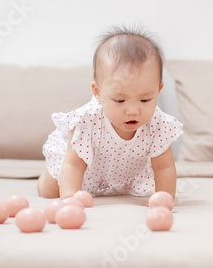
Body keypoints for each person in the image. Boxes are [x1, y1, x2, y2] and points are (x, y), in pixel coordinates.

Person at [37, 25, 183, 200]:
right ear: (98, 93)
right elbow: (74, 165)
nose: (133, 110)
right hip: (86, 169)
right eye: (120, 100)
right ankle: (46, 176)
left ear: (158, 90)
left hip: (125, 172)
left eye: (145, 100)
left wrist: (164, 199)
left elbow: (164, 168)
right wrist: (69, 198)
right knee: (50, 191)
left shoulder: (158, 124)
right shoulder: (88, 120)